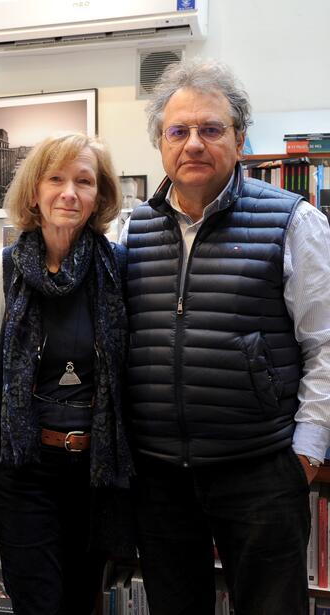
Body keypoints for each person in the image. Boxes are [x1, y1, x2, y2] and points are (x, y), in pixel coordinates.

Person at [123, 58, 330, 614]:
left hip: (260, 470)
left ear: (239, 138)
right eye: (179, 131)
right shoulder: (131, 229)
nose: (194, 143)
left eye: (211, 129)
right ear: (161, 143)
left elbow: (325, 345)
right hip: (159, 475)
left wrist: (306, 453)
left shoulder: (293, 221)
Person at [0, 132, 135, 615]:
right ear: (34, 191)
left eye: (84, 181)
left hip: (95, 473)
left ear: (100, 197)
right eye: (56, 178)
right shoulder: (5, 269)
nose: (69, 192)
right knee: (36, 604)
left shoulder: (120, 268)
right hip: (24, 470)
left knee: (79, 601)